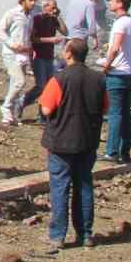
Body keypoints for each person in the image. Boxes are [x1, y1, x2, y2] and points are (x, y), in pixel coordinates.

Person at [37, 38, 105, 250]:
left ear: (69, 54)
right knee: (84, 186)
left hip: (61, 143)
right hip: (87, 141)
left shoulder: (59, 79)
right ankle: (85, 235)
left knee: (60, 188)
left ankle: (57, 236)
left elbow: (46, 110)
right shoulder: (98, 79)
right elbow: (105, 108)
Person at [97, 0, 131, 163]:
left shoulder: (120, 23)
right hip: (130, 73)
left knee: (115, 114)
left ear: (120, 4)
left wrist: (107, 65)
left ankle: (111, 152)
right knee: (126, 114)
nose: (110, 3)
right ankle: (125, 151)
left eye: (112, 0)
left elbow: (115, 47)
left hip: (117, 73)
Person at [0, 0, 37, 126]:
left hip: (23, 54)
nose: (33, 3)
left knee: (15, 83)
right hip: (11, 53)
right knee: (20, 81)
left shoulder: (30, 16)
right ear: (22, 0)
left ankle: (9, 116)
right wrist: (12, 44)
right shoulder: (12, 13)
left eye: (34, 0)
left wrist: (30, 50)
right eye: (30, 0)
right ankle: (5, 107)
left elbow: (27, 35)